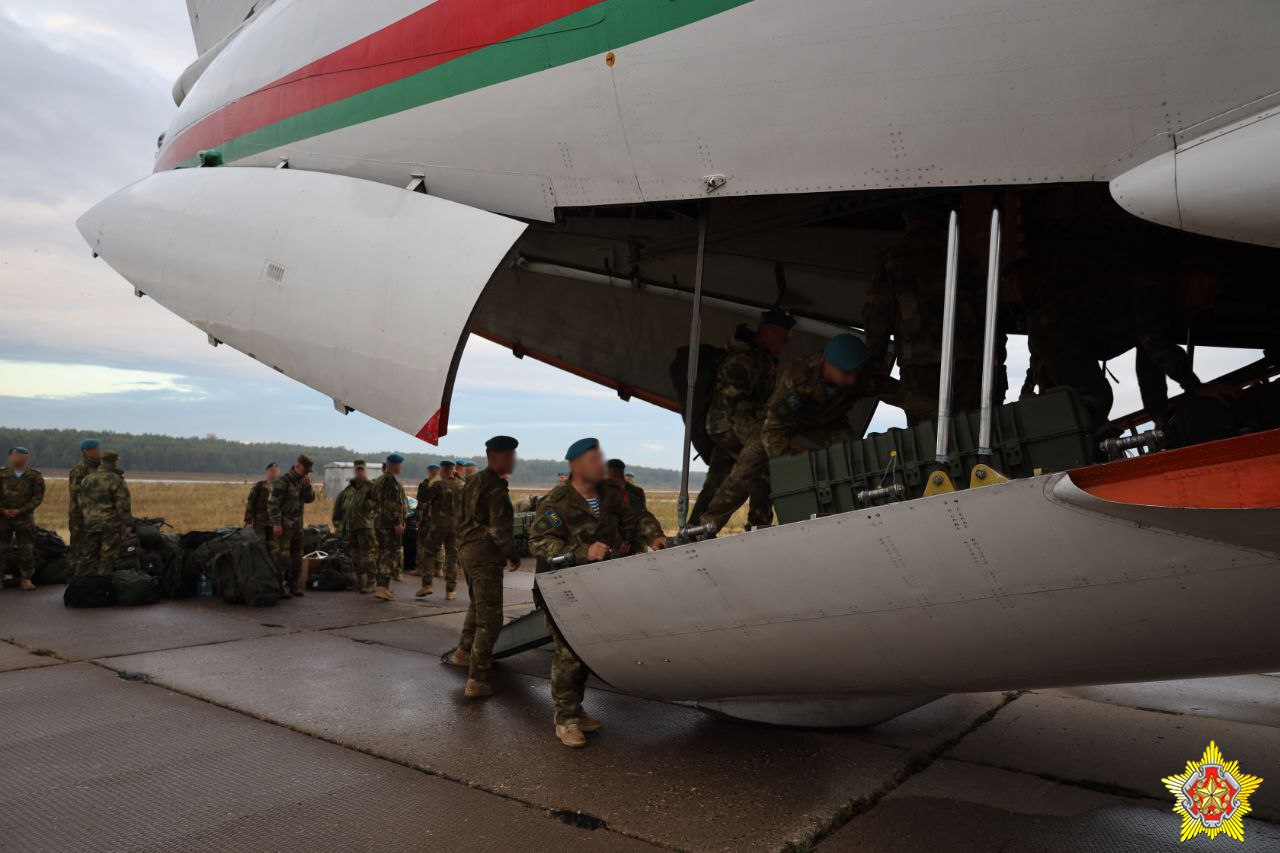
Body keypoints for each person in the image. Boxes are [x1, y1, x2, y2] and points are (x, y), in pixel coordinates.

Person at [528, 438, 667, 748]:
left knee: (586, 650)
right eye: (593, 459)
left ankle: (574, 710)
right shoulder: (556, 501)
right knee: (568, 653)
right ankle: (565, 720)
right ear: (576, 466)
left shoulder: (610, 494)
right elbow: (538, 541)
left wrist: (654, 536)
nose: (601, 464)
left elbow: (637, 517)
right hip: (561, 585)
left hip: (598, 584)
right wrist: (581, 551)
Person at [699, 335, 898, 532]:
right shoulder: (797, 376)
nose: (853, 378)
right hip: (786, 420)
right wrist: (789, 466)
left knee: (852, 452)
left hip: (826, 421)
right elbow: (774, 428)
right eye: (846, 373)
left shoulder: (862, 373)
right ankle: (705, 527)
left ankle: (865, 512)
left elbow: (901, 393)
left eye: (856, 372)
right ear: (828, 365)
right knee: (749, 464)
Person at [1029, 267, 1236, 433]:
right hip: (1056, 329)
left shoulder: (1159, 300)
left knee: (1089, 400)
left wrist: (1159, 417)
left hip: (1058, 331)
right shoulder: (1153, 292)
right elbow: (1158, 348)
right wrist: (1195, 386)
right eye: (1210, 292)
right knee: (1093, 398)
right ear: (1192, 281)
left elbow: (1150, 366)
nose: (1209, 303)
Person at [863, 208, 997, 425]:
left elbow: (877, 315)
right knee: (970, 428)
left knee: (926, 434)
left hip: (919, 364)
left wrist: (875, 359)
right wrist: (995, 357)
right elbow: (989, 312)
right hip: (967, 360)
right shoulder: (963, 257)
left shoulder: (892, 260)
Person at [688, 309, 794, 529]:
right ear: (767, 332)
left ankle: (692, 531)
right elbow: (734, 403)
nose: (783, 344)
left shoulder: (759, 357)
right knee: (761, 464)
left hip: (724, 427)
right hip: (730, 426)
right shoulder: (746, 358)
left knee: (717, 481)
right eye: (781, 338)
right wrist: (756, 439)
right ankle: (759, 524)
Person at [446, 436, 523, 699]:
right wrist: (512, 554)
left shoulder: (472, 481)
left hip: (467, 551)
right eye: (510, 455)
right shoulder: (495, 487)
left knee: (478, 605)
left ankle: (463, 652)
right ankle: (477, 679)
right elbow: (498, 528)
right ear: (495, 456)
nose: (513, 460)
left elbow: (458, 517)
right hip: (484, 556)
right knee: (491, 619)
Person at [268, 455, 315, 597]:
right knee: (282, 557)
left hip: (298, 527)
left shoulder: (302, 481)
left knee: (297, 557)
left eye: (308, 471)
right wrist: (276, 523)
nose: (306, 473)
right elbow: (273, 504)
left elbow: (309, 499)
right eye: (305, 470)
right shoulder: (283, 482)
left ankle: (293, 585)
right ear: (297, 466)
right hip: (284, 527)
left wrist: (308, 487)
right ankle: (278, 587)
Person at [417, 460, 464, 599]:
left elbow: (422, 497)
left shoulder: (438, 485)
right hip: (456, 527)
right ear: (453, 470)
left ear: (442, 470)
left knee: (428, 552)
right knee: (452, 557)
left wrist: (427, 481)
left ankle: (427, 584)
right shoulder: (462, 485)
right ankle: (450, 590)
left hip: (438, 526)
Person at [79, 451, 131, 576]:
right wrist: (128, 524)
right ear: (114, 462)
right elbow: (122, 505)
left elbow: (82, 501)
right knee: (107, 557)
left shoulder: (87, 478)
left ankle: (80, 585)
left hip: (90, 523)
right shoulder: (116, 480)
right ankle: (102, 587)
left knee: (87, 556)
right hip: (109, 525)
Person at [0, 447, 45, 591]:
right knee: (1, 548)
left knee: (26, 549)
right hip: (3, 518)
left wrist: (21, 510)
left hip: (24, 518)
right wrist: (3, 510)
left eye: (18, 456)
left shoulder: (34, 476)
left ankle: (26, 578)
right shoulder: (2, 474)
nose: (15, 458)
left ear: (26, 458)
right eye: (12, 456)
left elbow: (38, 497)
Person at [368, 454, 407, 601]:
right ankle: (382, 587)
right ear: (393, 465)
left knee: (383, 553)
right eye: (400, 465)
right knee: (389, 554)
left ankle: (383, 586)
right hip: (389, 525)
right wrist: (397, 522)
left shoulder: (379, 480)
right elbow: (393, 504)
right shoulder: (390, 481)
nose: (401, 467)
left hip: (379, 522)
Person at [67, 438, 101, 577]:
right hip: (80, 517)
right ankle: (73, 578)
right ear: (86, 451)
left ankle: (92, 580)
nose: (99, 451)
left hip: (98, 516)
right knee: (78, 547)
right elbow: (77, 494)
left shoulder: (101, 468)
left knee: (95, 548)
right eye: (96, 449)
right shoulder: (79, 470)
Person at [243, 463, 280, 551]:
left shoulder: (281, 487)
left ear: (279, 473)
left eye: (275, 471)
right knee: (259, 546)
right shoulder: (258, 487)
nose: (273, 473)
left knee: (274, 548)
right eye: (271, 470)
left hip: (274, 524)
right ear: (266, 472)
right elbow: (250, 504)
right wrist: (248, 521)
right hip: (259, 523)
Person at [412, 463, 440, 577]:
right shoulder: (442, 484)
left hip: (426, 519)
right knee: (438, 543)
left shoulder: (424, 485)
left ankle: (420, 568)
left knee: (422, 542)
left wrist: (417, 519)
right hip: (438, 519)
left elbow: (420, 503)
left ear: (429, 471)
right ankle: (438, 569)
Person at [331, 460, 370, 534]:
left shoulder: (373, 489)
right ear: (354, 471)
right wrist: (340, 530)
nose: (360, 472)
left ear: (366, 471)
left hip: (367, 537)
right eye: (357, 470)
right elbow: (336, 516)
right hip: (347, 536)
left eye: (362, 470)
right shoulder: (345, 493)